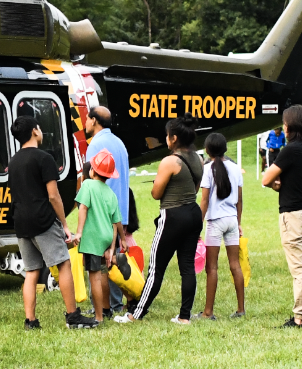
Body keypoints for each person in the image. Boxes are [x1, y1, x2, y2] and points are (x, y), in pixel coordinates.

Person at [8, 111, 89, 329]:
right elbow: (53, 195)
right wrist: (64, 225)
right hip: (43, 220)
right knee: (63, 264)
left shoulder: (13, 161)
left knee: (32, 271)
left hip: (21, 222)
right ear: (35, 131)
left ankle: (30, 320)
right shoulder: (44, 158)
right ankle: (73, 316)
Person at [129, 120, 202, 324]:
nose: (166, 139)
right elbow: (195, 189)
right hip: (193, 213)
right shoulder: (198, 158)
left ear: (174, 138)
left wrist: (159, 183)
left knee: (156, 268)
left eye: (167, 136)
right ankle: (184, 317)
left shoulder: (170, 161)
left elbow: (156, 193)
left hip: (173, 216)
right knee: (187, 267)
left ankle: (136, 314)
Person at [260, 104, 302, 330]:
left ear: (291, 126)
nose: (283, 127)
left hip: (292, 215)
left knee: (300, 269)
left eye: (285, 123)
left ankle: (299, 318)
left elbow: (267, 179)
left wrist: (276, 183)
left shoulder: (290, 150)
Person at [196, 130, 246, 321]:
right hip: (232, 219)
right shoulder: (235, 168)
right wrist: (239, 223)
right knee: (235, 265)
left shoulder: (208, 169)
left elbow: (205, 200)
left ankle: (208, 312)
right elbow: (240, 199)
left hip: (215, 221)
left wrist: (198, 224)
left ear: (207, 150)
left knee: (212, 268)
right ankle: (241, 309)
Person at [74, 148, 123, 325]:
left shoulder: (87, 185)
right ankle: (107, 307)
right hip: (107, 237)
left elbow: (83, 208)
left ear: (92, 171)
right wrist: (112, 247)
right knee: (103, 273)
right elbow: (115, 222)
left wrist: (79, 232)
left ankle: (99, 316)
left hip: (92, 238)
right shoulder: (111, 193)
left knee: (94, 276)